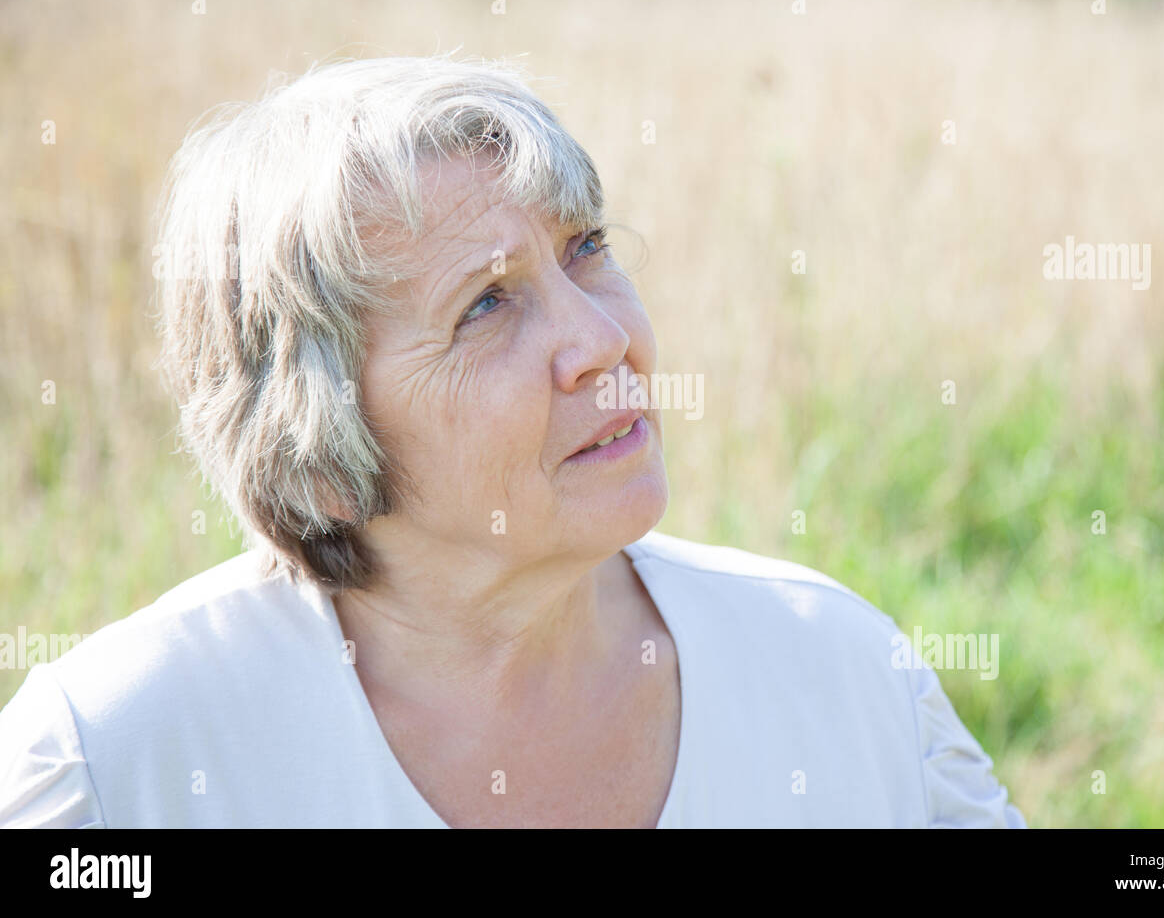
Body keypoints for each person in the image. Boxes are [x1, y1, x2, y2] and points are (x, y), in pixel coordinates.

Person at [0, 55, 1025, 828]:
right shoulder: (115, 758)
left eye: (587, 248)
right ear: (315, 449)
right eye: (486, 305)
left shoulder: (842, 670)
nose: (600, 337)